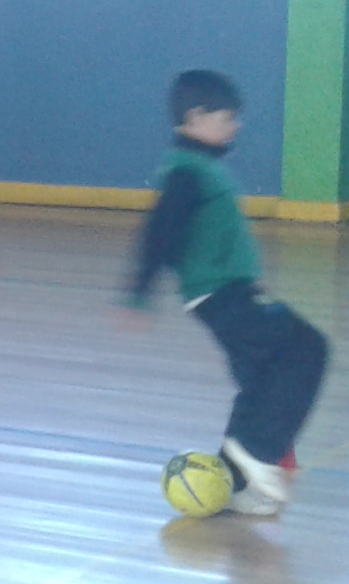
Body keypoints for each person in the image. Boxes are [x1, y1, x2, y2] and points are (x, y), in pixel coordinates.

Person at [123, 69, 328, 517]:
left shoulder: (200, 168)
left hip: (229, 292)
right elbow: (160, 234)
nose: (235, 125)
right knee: (307, 348)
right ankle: (255, 449)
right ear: (195, 117)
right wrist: (138, 293)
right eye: (227, 117)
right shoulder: (185, 172)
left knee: (259, 378)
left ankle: (236, 484)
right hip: (221, 296)